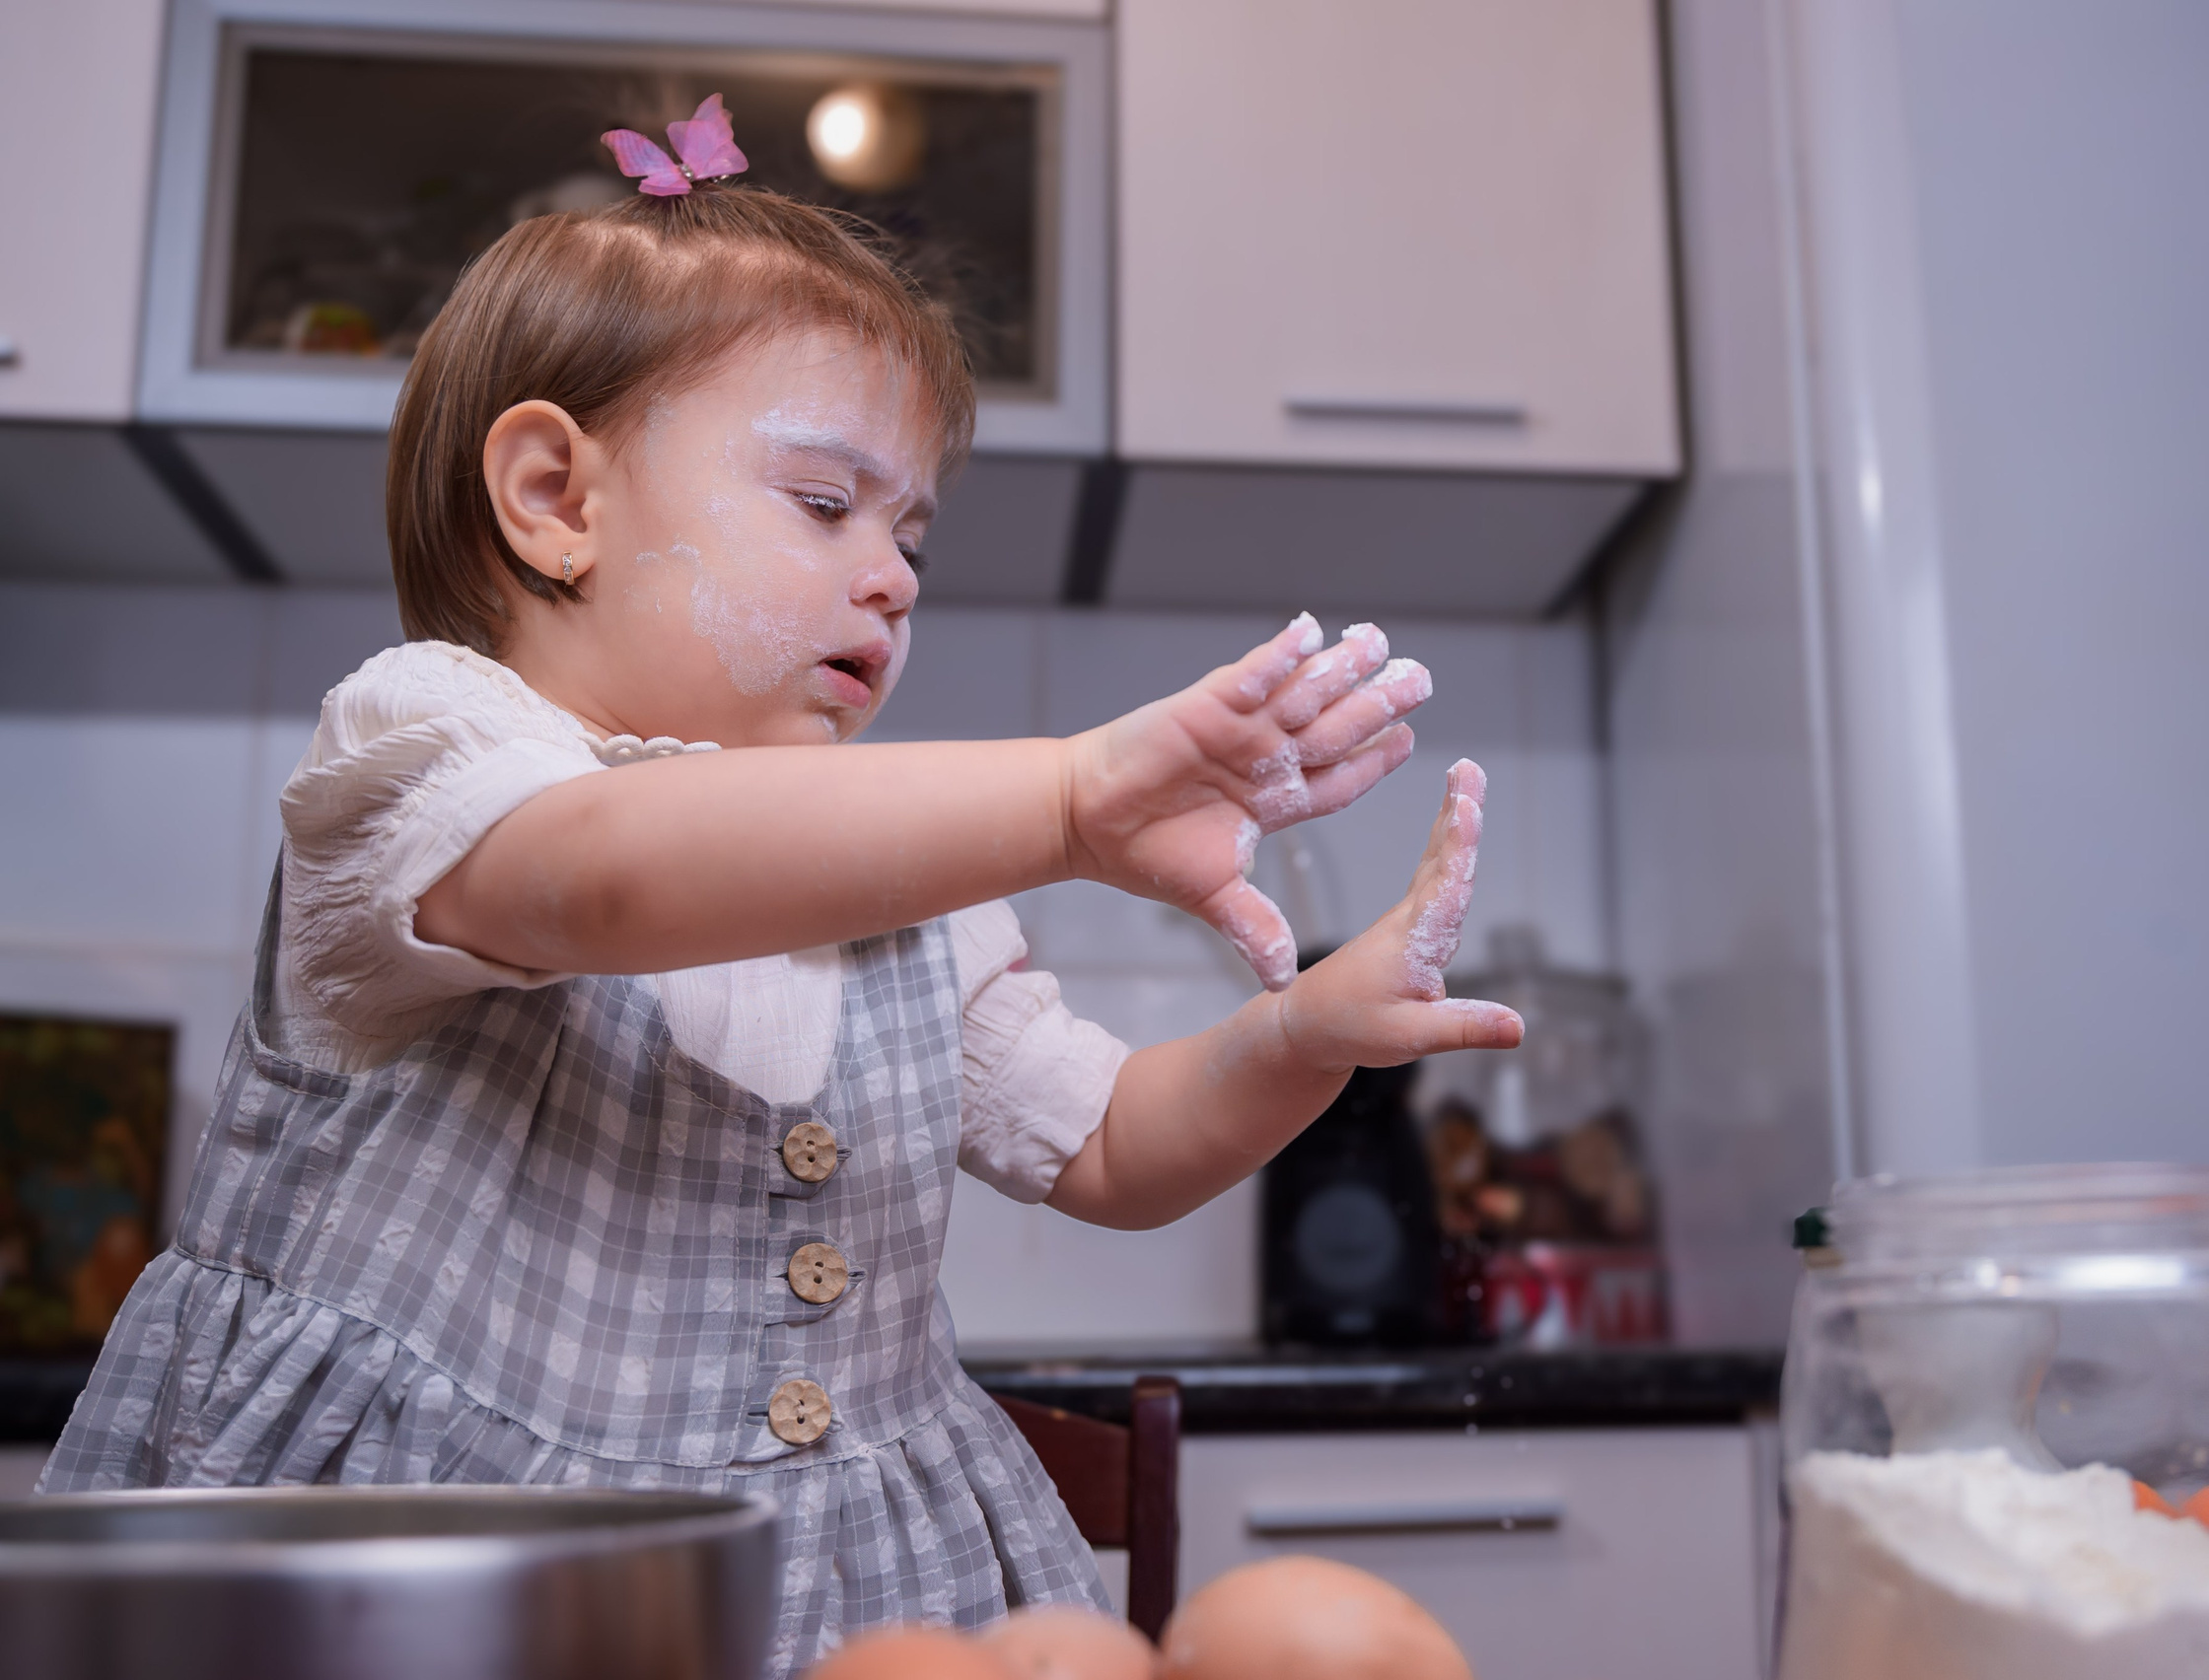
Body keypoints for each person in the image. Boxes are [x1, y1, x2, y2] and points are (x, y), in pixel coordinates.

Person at [38, 99, 1521, 1676]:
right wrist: (1075, 799)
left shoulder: (910, 884)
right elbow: (600, 884)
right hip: (417, 1602)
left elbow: (1111, 1148)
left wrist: (1304, 1040)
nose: (891, 574)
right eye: (826, 504)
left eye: (913, 538)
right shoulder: (430, 748)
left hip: (840, 1609)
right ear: (556, 499)